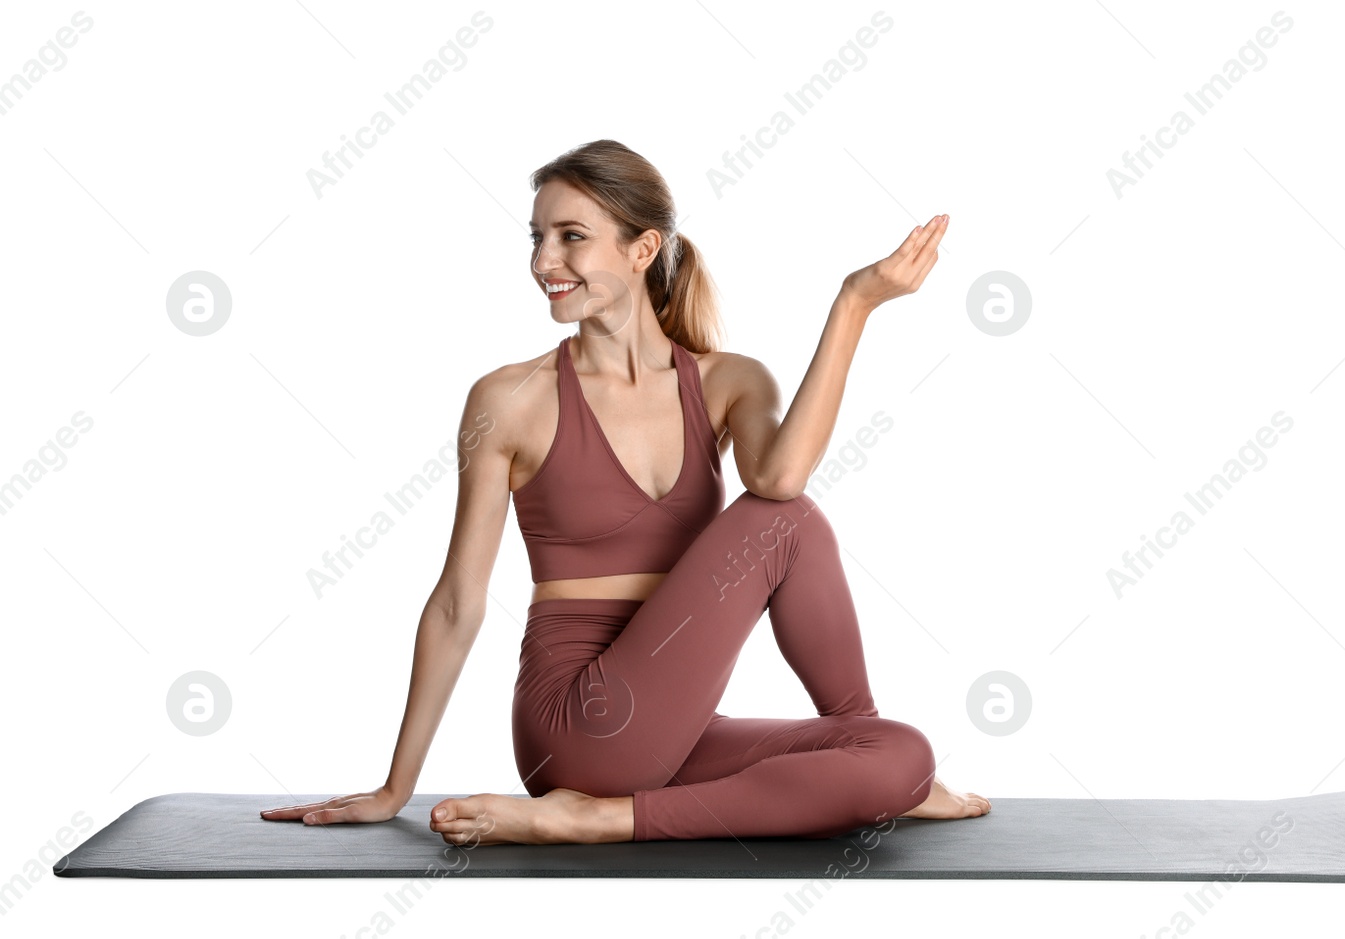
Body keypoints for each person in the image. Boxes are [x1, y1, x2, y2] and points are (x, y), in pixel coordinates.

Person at [262, 139, 989, 844]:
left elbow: (778, 471)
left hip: (668, 730)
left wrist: (853, 303)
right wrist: (395, 790)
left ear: (642, 250)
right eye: (538, 237)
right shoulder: (511, 399)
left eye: (571, 236)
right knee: (786, 520)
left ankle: (864, 758)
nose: (545, 261)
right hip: (577, 723)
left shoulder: (728, 382)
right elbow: (457, 603)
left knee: (901, 752)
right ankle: (595, 818)